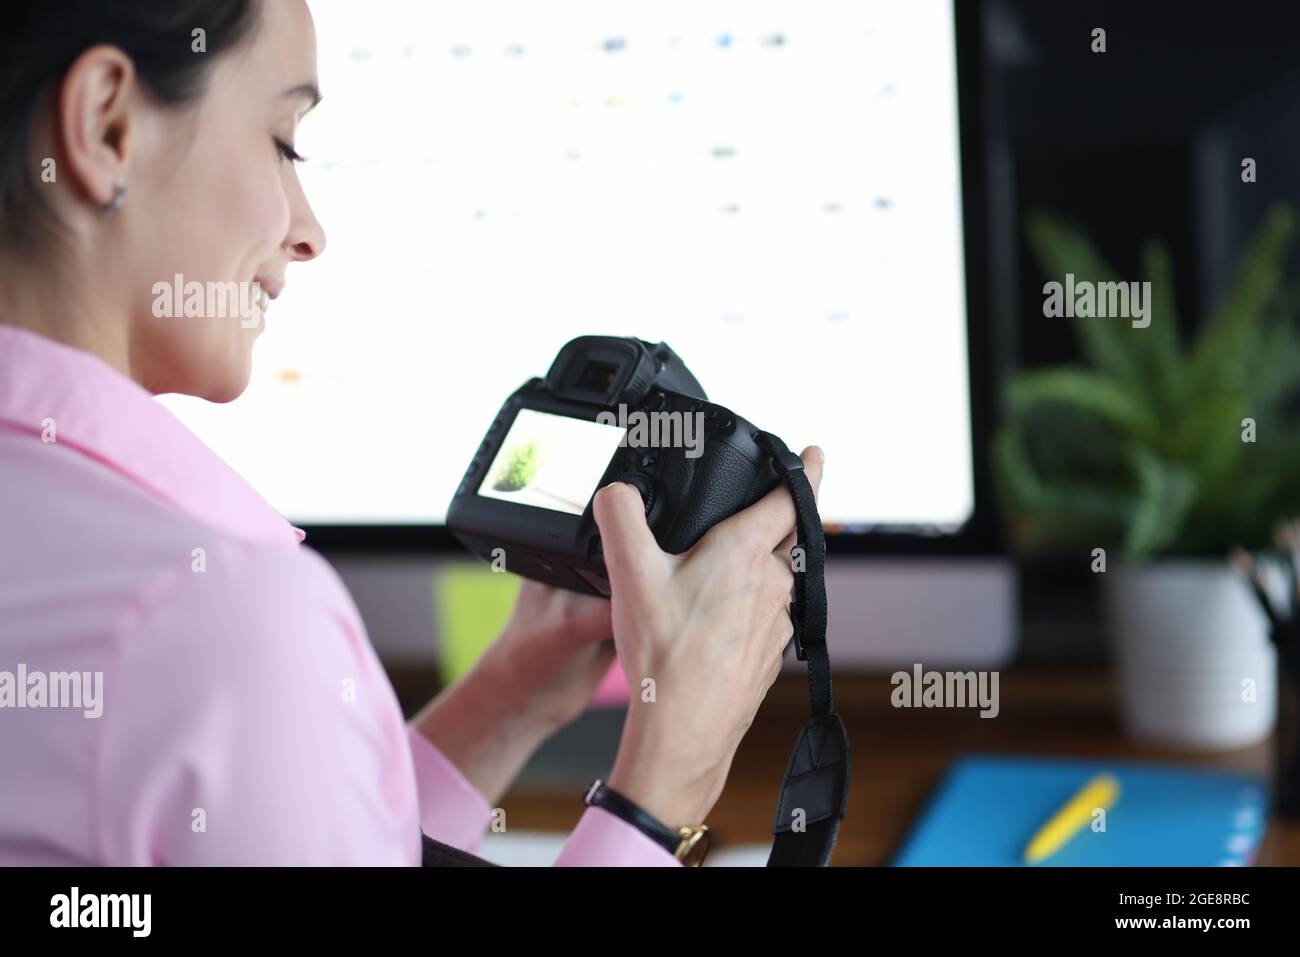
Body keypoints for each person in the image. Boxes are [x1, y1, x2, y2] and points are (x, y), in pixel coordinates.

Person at [0, 0, 823, 865]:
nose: (308, 230)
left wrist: (513, 693)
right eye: (284, 142)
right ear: (107, 125)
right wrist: (664, 788)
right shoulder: (214, 614)